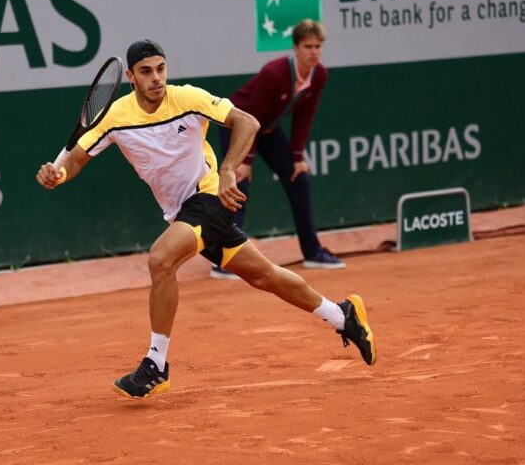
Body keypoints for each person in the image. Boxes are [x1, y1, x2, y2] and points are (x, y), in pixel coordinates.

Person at [36, 39, 376, 399]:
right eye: (147, 71)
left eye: (161, 68)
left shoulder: (186, 98)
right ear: (132, 78)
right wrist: (58, 175)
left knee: (161, 259)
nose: (157, 78)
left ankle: (156, 365)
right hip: (180, 212)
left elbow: (247, 121)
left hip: (209, 196)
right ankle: (343, 316)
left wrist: (229, 169)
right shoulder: (115, 116)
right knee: (265, 275)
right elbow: (75, 159)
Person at [213, 19, 344, 280]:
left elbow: (305, 116)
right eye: (308, 46)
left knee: (299, 178)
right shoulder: (274, 73)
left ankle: (313, 252)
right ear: (295, 48)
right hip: (238, 125)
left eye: (318, 46)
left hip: (268, 130)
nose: (314, 52)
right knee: (238, 184)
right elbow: (251, 116)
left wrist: (297, 157)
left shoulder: (319, 75)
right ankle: (225, 258)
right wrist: (246, 161)